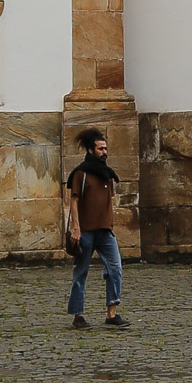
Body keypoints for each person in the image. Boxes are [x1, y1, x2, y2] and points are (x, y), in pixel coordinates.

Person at [64, 129, 129, 329]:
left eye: (106, 148)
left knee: (115, 268)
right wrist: (76, 227)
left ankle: (112, 313)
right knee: (81, 271)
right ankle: (78, 315)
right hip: (86, 231)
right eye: (100, 148)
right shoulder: (81, 174)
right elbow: (74, 201)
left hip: (105, 231)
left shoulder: (108, 175)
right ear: (91, 150)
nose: (105, 152)